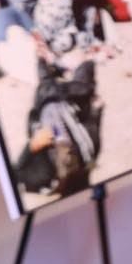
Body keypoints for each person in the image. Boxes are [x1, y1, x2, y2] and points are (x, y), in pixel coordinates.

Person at [15, 59, 102, 197]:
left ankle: (43, 61)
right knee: (82, 72)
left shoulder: (41, 178)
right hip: (65, 103)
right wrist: (96, 111)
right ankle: (46, 62)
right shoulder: (89, 151)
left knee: (46, 82)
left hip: (50, 107)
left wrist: (32, 146)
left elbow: (16, 174)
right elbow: (92, 119)